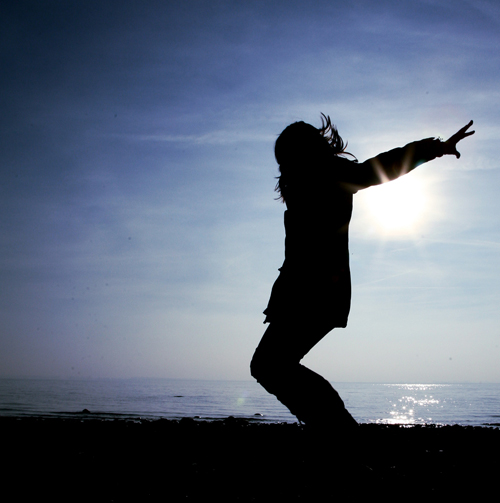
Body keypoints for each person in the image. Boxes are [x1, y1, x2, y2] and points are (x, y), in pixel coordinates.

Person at [250, 115, 475, 432]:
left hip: (318, 291)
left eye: (289, 155)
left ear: (305, 152)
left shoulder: (331, 174)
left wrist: (434, 148)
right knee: (272, 366)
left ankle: (339, 429)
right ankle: (333, 428)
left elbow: (381, 166)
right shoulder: (304, 185)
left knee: (269, 365)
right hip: (301, 291)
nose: (285, 165)